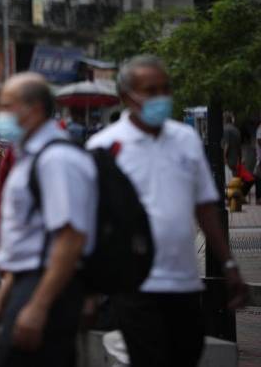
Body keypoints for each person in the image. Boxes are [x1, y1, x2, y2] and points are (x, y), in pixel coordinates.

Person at [87, 55, 248, 367]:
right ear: (126, 97)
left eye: (165, 89)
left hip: (184, 283)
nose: (160, 98)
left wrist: (228, 263)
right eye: (150, 90)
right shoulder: (105, 146)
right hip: (134, 286)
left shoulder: (185, 139)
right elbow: (90, 220)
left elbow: (204, 206)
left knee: (186, 356)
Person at [0, 73, 97, 367]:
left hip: (47, 288)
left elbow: (70, 239)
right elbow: (27, 241)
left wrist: (38, 306)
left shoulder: (57, 160)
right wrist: (1, 303)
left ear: (32, 109)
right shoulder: (28, 154)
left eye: (6, 106)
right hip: (24, 283)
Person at [223, 112, 241, 178]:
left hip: (229, 159)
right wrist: (239, 159)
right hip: (236, 159)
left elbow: (226, 144)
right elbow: (239, 147)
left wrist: (224, 157)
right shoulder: (236, 130)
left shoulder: (225, 129)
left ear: (225, 120)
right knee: (235, 179)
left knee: (229, 180)